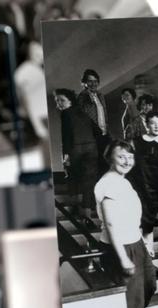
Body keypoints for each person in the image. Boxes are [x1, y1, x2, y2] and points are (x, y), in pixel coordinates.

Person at [95, 140, 156, 308]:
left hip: (135, 242)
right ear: (109, 158)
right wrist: (123, 258)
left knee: (149, 285)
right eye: (121, 156)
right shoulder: (107, 183)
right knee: (132, 297)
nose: (127, 161)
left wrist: (144, 241)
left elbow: (128, 216)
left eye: (130, 157)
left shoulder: (123, 180)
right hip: (120, 246)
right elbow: (112, 224)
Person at [54, 88, 98, 229]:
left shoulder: (66, 113)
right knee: (87, 181)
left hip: (76, 150)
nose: (59, 103)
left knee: (72, 177)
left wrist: (65, 155)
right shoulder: (83, 111)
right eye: (57, 101)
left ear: (70, 100)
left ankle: (79, 211)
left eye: (62, 100)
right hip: (91, 149)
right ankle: (86, 214)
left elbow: (66, 135)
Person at [129, 111, 158, 257]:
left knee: (149, 223)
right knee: (137, 220)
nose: (157, 126)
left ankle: (148, 254)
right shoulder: (135, 141)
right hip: (136, 187)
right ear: (147, 125)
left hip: (154, 189)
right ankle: (140, 254)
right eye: (153, 123)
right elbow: (127, 164)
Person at [77, 68, 110, 177]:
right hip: (92, 136)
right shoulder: (82, 97)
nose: (93, 84)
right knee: (95, 166)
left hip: (104, 134)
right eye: (90, 81)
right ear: (84, 83)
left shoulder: (100, 95)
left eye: (95, 81)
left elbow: (104, 114)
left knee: (106, 162)